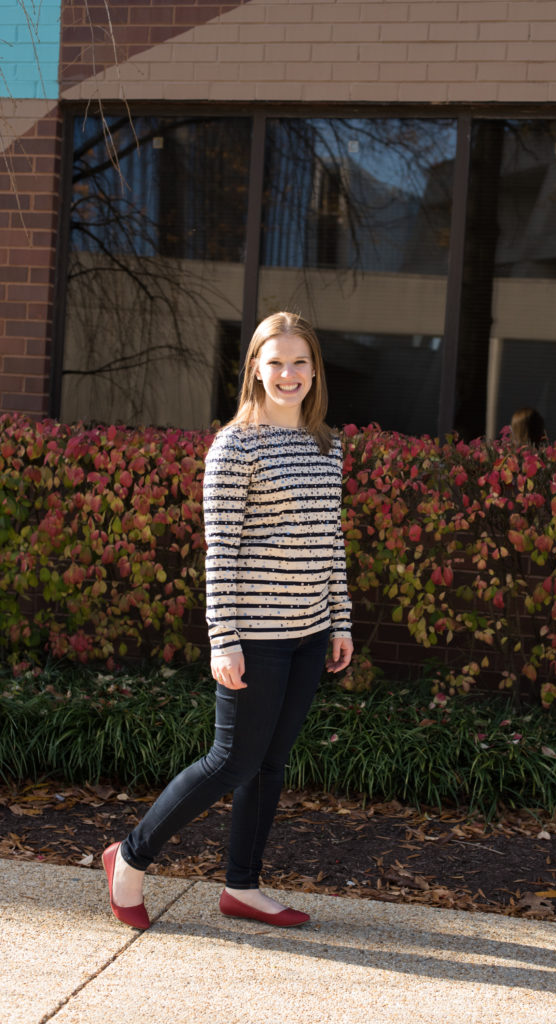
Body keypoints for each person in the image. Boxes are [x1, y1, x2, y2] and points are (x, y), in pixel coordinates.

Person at [102, 311, 354, 930]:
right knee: (231, 762)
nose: (289, 374)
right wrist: (224, 639)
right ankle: (129, 859)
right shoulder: (235, 446)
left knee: (271, 764)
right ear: (255, 370)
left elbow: (331, 538)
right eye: (276, 362)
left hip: (309, 633)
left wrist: (340, 620)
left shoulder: (328, 444)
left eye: (300, 362)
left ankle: (242, 886)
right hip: (255, 637)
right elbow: (220, 548)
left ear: (315, 368)